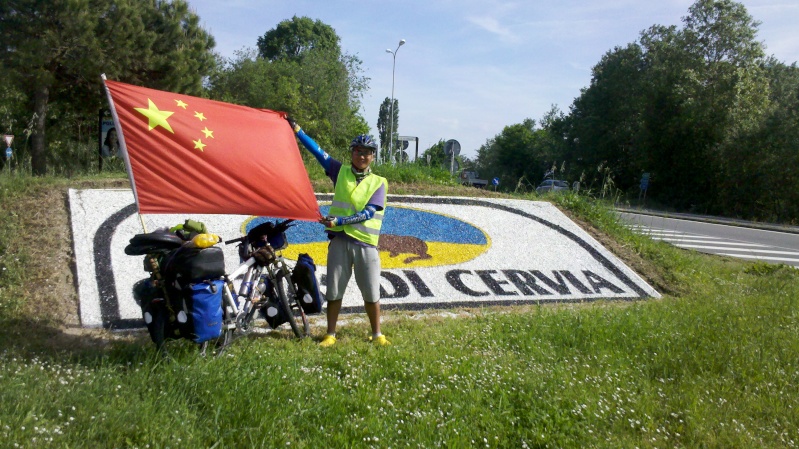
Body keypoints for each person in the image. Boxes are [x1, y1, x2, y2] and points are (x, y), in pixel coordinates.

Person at [286, 116, 390, 347]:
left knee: (372, 292)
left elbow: (369, 212)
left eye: (367, 152)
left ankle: (376, 334)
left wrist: (340, 220)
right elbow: (318, 152)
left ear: (373, 156)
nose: (362, 156)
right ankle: (330, 333)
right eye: (358, 151)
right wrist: (298, 131)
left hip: (366, 244)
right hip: (340, 242)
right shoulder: (338, 171)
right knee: (334, 290)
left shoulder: (379, 182)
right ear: (352, 153)